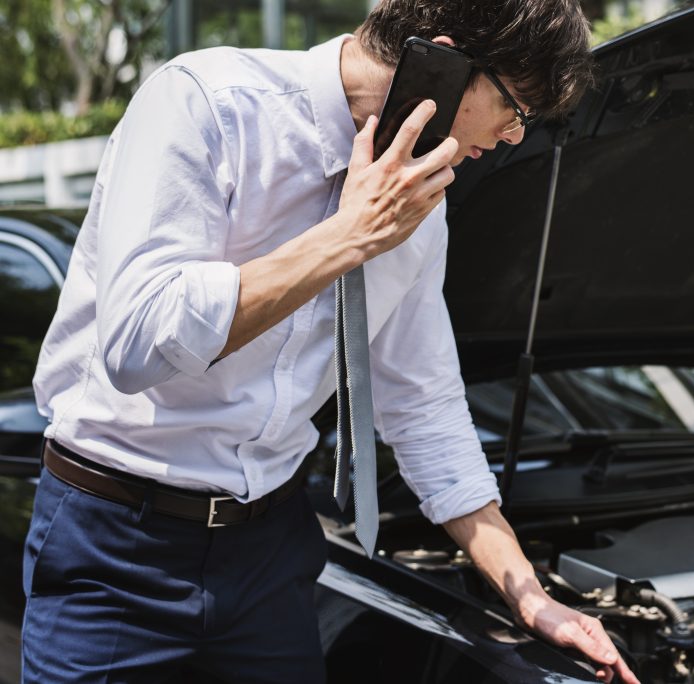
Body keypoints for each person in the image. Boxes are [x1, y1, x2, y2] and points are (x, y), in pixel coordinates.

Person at [22, 1, 641, 682]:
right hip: (112, 546)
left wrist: (528, 594)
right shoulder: (206, 103)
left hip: (271, 549)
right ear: (443, 62)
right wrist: (347, 238)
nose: (513, 138)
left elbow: (425, 408)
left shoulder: (417, 211)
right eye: (515, 108)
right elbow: (139, 344)